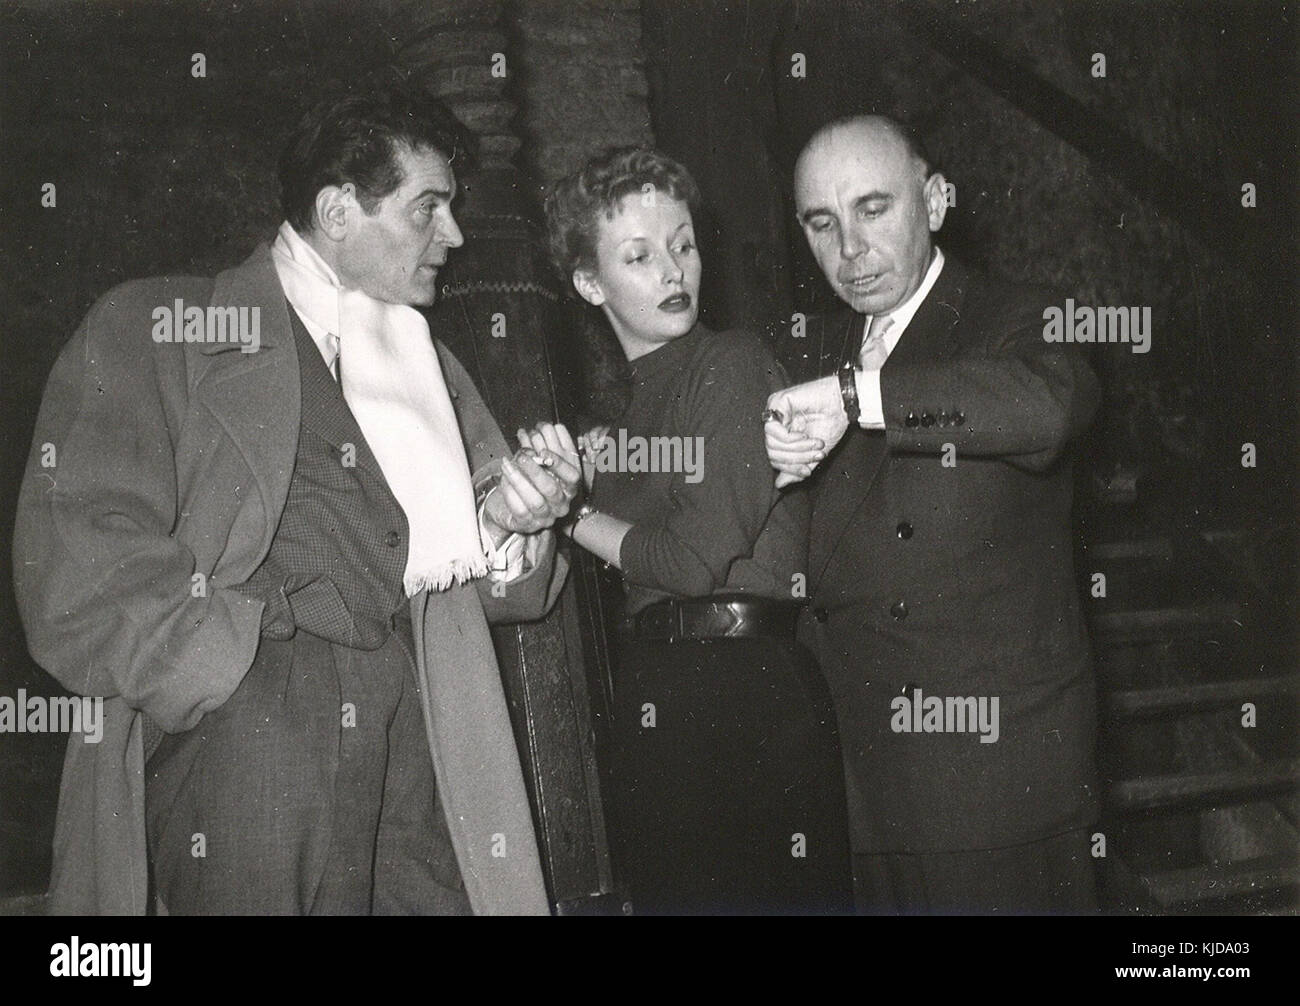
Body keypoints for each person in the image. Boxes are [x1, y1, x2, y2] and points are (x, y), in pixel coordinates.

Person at [13, 81, 580, 915]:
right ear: (340, 210)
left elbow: (494, 590)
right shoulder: (159, 324)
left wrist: (510, 519)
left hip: (423, 740)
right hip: (250, 740)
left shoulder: (436, 376)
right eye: (429, 208)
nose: (453, 237)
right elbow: (77, 550)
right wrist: (226, 670)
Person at [764, 115, 1101, 914]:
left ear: (937, 200)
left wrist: (859, 398)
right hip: (863, 777)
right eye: (822, 222)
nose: (849, 249)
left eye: (873, 209)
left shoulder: (1018, 315)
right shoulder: (812, 347)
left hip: (992, 774)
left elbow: (1048, 408)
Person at [536, 147, 852, 915]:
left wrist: (572, 513)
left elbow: (688, 562)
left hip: (743, 691)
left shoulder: (731, 364)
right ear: (588, 282)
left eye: (682, 245)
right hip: (661, 692)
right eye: (639, 256)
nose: (674, 271)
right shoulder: (625, 412)